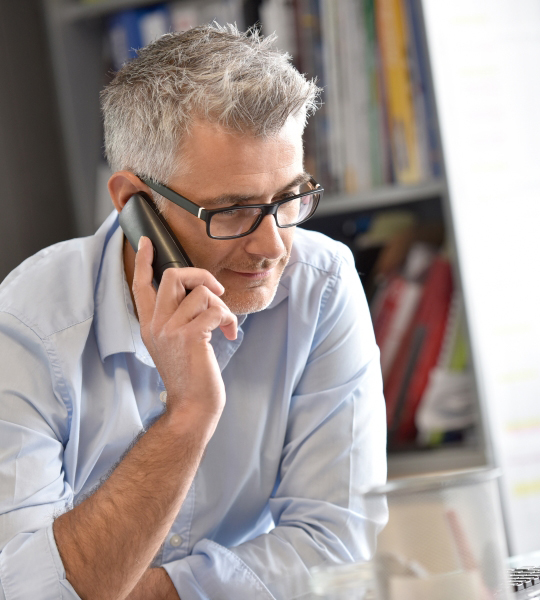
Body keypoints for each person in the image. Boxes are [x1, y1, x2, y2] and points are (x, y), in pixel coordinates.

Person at [0, 24, 387, 600]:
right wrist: (188, 417)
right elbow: (27, 591)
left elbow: (339, 546)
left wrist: (140, 591)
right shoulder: (30, 325)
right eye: (231, 212)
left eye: (289, 199)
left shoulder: (319, 284)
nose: (274, 247)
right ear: (135, 203)